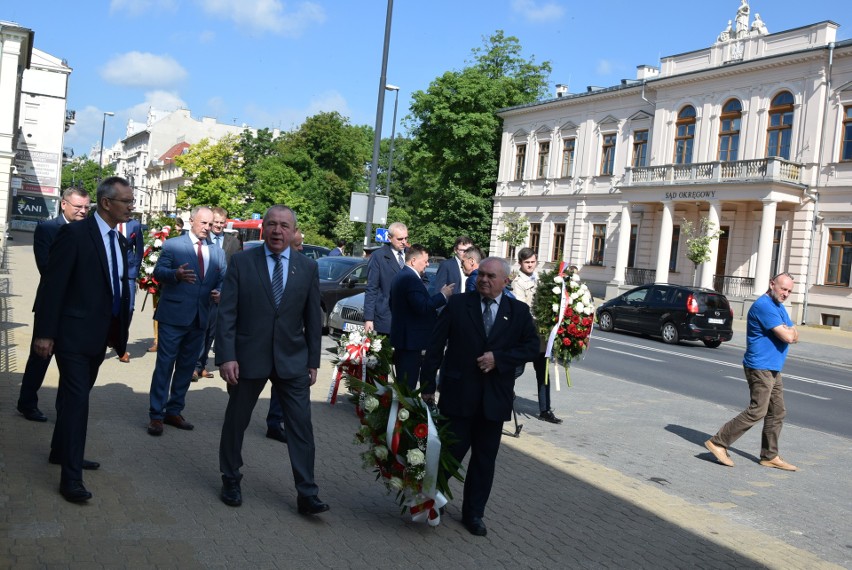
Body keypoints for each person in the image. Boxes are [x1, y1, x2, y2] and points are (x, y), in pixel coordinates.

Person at [216, 205, 329, 515]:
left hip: (292, 360)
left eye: (284, 226)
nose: (278, 231)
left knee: (301, 427)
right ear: (263, 228)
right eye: (272, 225)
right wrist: (226, 357)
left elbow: (312, 319)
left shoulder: (307, 267)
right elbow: (227, 314)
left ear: (294, 232)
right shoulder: (241, 262)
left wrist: (313, 361)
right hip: (247, 358)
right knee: (236, 422)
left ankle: (306, 493)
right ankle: (231, 478)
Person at [420, 257, 539, 536]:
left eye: (491, 276)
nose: (484, 280)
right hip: (458, 396)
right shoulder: (459, 304)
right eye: (481, 275)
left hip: (493, 401)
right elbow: (435, 346)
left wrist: (500, 359)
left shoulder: (518, 311)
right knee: (449, 455)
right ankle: (431, 501)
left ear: (505, 281)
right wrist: (427, 386)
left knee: (484, 462)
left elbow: (532, 347)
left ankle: (474, 514)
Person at [32, 176, 134, 502]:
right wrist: (45, 333)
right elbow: (53, 285)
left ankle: (60, 451)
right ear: (106, 203)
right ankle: (70, 479)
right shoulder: (74, 234)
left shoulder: (119, 240)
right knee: (78, 403)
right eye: (126, 201)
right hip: (73, 335)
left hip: (99, 336)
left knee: (73, 398)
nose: (132, 206)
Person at [705, 272, 799, 472]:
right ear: (772, 284)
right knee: (758, 410)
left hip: (773, 367)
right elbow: (788, 336)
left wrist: (790, 331)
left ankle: (769, 456)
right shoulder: (764, 305)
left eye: (789, 291)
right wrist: (789, 332)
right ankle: (718, 442)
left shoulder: (779, 307)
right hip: (760, 366)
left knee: (777, 411)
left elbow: (793, 333)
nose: (786, 293)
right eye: (783, 289)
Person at [146, 206, 225, 436]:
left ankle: (174, 410)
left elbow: (223, 278)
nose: (208, 228)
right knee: (165, 365)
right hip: (173, 316)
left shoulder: (217, 251)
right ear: (192, 221)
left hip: (201, 317)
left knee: (186, 367)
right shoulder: (173, 245)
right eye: (204, 223)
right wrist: (175, 275)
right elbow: (158, 272)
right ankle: (156, 415)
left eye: (211, 224)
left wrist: (221, 292)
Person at [17, 186, 90, 423]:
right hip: (51, 305)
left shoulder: (89, 231)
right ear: (64, 204)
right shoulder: (48, 229)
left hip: (77, 311)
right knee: (40, 358)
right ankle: (27, 403)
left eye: (86, 207)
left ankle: (65, 409)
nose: (82, 211)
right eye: (78, 207)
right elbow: (47, 269)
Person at [389, 244, 454, 394]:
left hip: (405, 339)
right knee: (407, 388)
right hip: (410, 342)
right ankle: (402, 416)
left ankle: (401, 414)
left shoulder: (401, 276)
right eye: (425, 261)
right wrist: (443, 295)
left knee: (404, 385)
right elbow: (422, 307)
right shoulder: (410, 279)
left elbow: (393, 305)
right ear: (413, 261)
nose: (428, 264)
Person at [511, 248, 562, 424]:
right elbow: (521, 308)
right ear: (520, 263)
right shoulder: (517, 282)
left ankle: (545, 410)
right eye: (527, 262)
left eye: (533, 262)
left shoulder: (542, 280)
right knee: (516, 370)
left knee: (544, 374)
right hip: (526, 336)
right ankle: (503, 393)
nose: (530, 265)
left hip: (542, 337)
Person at [194, 206, 240, 380]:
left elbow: (237, 268)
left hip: (223, 294)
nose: (218, 226)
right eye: (216, 222)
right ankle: (194, 365)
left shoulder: (234, 242)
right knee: (200, 330)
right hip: (203, 292)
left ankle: (202, 364)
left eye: (222, 223)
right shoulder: (204, 238)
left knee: (211, 333)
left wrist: (227, 292)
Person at [363, 222, 408, 334]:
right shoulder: (379, 256)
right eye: (400, 239)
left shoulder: (412, 255)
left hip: (408, 316)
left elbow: (424, 280)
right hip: (386, 317)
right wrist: (369, 318)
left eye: (406, 238)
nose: (404, 242)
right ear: (389, 238)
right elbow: (372, 288)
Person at [115, 216, 144, 363]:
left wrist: (136, 269)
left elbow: (139, 249)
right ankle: (109, 336)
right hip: (110, 269)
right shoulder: (109, 220)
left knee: (129, 308)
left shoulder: (135, 225)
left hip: (130, 272)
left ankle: (121, 343)